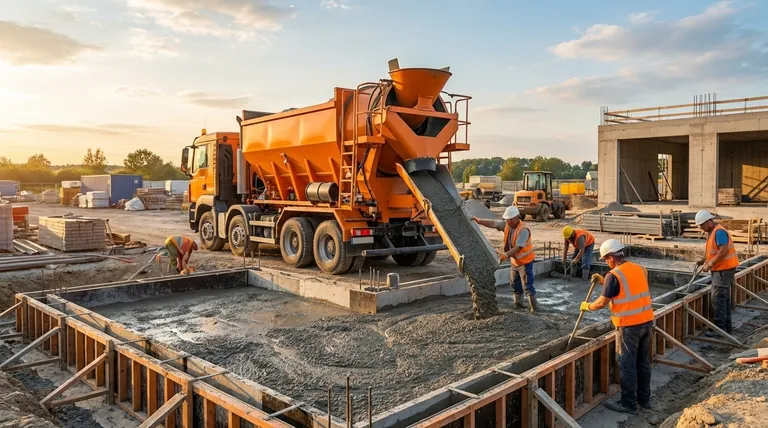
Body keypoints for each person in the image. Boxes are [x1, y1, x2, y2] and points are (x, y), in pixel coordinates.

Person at [581, 239, 653, 414]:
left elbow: (603, 303)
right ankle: (644, 400)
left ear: (612, 257)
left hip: (628, 326)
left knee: (627, 364)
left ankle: (629, 403)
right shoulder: (640, 269)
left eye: (606, 259)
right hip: (647, 322)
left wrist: (588, 306)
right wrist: (604, 282)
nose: (606, 263)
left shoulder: (614, 275)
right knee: (643, 362)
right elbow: (630, 287)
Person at [472, 206, 538, 312]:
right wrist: (479, 221)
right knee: (514, 284)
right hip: (515, 262)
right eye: (507, 219)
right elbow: (494, 224)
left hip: (525, 263)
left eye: (511, 219)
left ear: (517, 218)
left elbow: (518, 247)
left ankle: (535, 309)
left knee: (527, 286)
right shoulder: (507, 224)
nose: (508, 221)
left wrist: (505, 255)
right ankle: (519, 304)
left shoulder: (523, 230)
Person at [695, 210, 738, 334]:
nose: (702, 228)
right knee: (724, 298)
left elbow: (723, 251)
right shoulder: (713, 232)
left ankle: (719, 330)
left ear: (709, 221)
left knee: (717, 298)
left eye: (703, 225)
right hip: (721, 269)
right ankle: (726, 328)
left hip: (723, 270)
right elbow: (713, 251)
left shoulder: (719, 232)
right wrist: (703, 260)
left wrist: (710, 264)